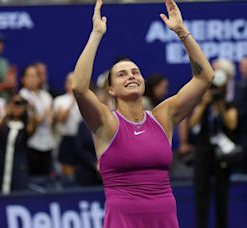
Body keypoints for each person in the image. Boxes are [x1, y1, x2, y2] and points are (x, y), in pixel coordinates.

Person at [72, 0, 214, 226]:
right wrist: (96, 34)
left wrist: (181, 31)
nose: (131, 76)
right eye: (121, 74)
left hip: (164, 219)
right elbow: (79, 88)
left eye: (135, 72)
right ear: (111, 89)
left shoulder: (162, 117)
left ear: (143, 82)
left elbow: (205, 77)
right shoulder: (106, 123)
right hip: (123, 220)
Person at [188, 60, 238, 228]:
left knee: (222, 196)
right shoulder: (202, 98)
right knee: (202, 196)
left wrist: (220, 106)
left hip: (223, 157)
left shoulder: (228, 101)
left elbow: (232, 124)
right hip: (203, 154)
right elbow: (192, 123)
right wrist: (204, 104)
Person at [0, 95, 38, 194]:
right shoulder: (3, 122)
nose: (17, 107)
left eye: (20, 105)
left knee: (17, 191)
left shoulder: (25, 126)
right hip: (0, 163)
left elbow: (31, 129)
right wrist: (7, 112)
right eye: (15, 104)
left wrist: (29, 110)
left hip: (17, 165)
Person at [19, 64, 55, 177]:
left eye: (35, 76)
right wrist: (43, 115)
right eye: (29, 76)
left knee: (46, 177)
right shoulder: (22, 96)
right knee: (33, 177)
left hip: (47, 143)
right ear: (23, 79)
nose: (32, 79)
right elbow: (30, 122)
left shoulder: (46, 96)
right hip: (31, 144)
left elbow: (51, 120)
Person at [54, 72, 83, 186]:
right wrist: (73, 100)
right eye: (69, 82)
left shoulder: (84, 99)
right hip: (66, 139)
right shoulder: (60, 100)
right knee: (67, 174)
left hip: (81, 139)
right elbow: (62, 119)